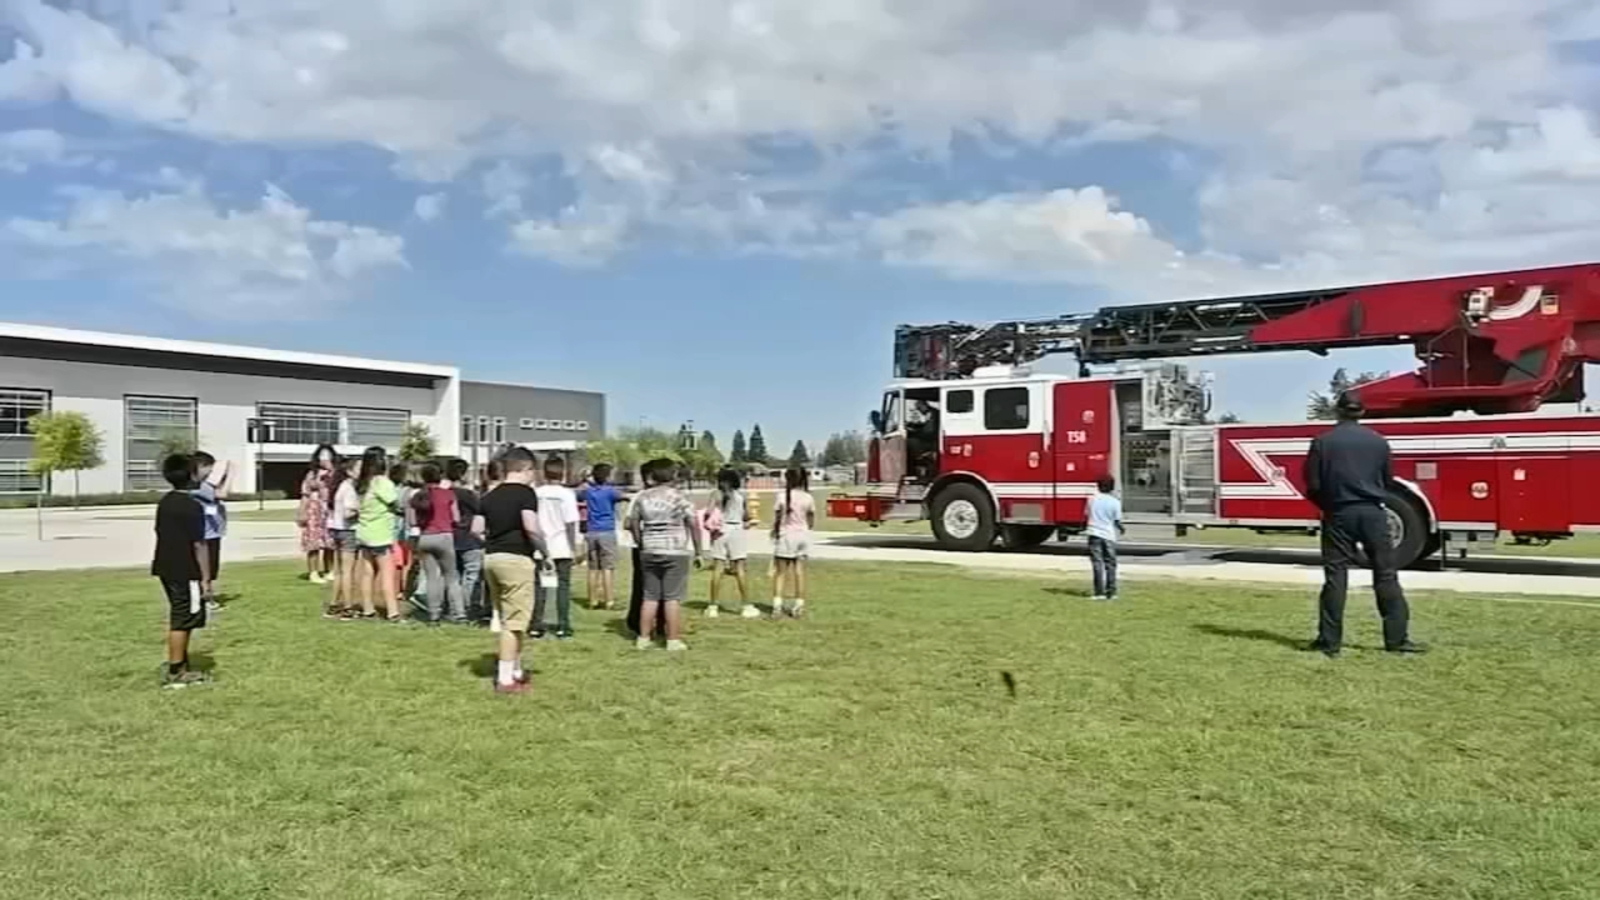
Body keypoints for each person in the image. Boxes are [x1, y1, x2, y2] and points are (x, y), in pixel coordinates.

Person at [1302, 392, 1422, 657]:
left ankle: (1330, 642)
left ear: (1338, 411)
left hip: (1339, 513)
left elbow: (1313, 485)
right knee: (1386, 574)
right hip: (1374, 513)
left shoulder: (1322, 442)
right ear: (1362, 412)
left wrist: (1329, 506)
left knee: (1336, 577)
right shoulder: (1378, 443)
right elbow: (1387, 481)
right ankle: (1397, 639)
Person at [478, 447, 549, 693]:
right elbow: (531, 526)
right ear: (525, 469)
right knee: (515, 623)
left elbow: (476, 529)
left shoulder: (488, 496)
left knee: (508, 616)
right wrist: (544, 550)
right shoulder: (526, 494)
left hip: (491, 558)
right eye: (533, 471)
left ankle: (516, 669)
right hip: (516, 559)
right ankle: (505, 679)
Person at [625, 458, 702, 651]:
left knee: (649, 596)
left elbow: (633, 521)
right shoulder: (679, 497)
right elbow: (693, 523)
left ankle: (643, 637)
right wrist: (699, 550)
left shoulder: (643, 497)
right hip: (674, 550)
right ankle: (673, 639)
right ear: (673, 475)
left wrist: (640, 541)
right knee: (671, 597)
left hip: (649, 548)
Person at [153, 453, 213, 689]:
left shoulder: (166, 501)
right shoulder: (191, 506)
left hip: (165, 566)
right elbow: (200, 544)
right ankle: (177, 670)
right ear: (190, 475)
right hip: (185, 569)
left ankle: (180, 663)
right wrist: (206, 578)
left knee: (181, 614)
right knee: (183, 618)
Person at [413, 462, 467, 625]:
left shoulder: (418, 496)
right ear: (440, 475)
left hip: (426, 537)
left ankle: (433, 614)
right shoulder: (448, 494)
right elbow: (456, 518)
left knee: (432, 578)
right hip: (444, 536)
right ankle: (460, 613)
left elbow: (411, 521)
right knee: (451, 576)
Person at [355, 447, 405, 622]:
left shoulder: (362, 483)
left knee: (367, 573)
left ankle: (367, 608)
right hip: (380, 534)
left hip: (364, 532)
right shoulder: (382, 482)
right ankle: (392, 611)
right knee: (387, 572)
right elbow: (395, 504)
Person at [534, 455, 581, 639]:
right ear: (563, 474)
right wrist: (573, 547)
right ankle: (562, 625)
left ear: (544, 473)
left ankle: (536, 624)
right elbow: (570, 523)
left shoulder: (537, 493)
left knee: (540, 587)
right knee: (563, 586)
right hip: (561, 545)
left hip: (541, 545)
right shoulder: (566, 495)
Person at [705, 466, 757, 618]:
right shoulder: (740, 496)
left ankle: (713, 606)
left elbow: (708, 512)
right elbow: (746, 516)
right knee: (740, 569)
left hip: (720, 531)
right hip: (737, 530)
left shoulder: (715, 494)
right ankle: (746, 605)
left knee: (718, 569)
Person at [577, 463, 624, 610]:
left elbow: (578, 494)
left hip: (591, 531)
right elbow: (624, 497)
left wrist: (587, 481)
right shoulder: (610, 492)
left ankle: (592, 600)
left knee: (592, 568)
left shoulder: (588, 492)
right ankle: (609, 600)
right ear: (608, 476)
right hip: (607, 531)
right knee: (607, 568)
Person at [770, 467, 815, 618]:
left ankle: (777, 606)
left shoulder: (782, 496)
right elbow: (811, 520)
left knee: (781, 573)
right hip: (802, 535)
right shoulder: (808, 497)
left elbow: (777, 519)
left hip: (786, 535)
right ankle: (799, 606)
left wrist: (775, 532)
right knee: (799, 572)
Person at [446, 458, 487, 624]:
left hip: (450, 537)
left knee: (453, 576)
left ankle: (454, 609)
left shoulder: (445, 493)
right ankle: (468, 607)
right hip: (469, 538)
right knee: (471, 575)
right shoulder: (470, 495)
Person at [190, 451, 230, 611]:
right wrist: (231, 474)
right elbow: (223, 494)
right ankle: (204, 598)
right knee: (203, 569)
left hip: (213, 532)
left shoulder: (205, 485)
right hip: (204, 534)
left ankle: (206, 596)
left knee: (211, 568)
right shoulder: (198, 486)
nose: (212, 472)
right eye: (209, 468)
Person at [325, 456, 362, 619]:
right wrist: (363, 511)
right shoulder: (349, 488)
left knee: (340, 571)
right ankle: (348, 607)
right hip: (348, 531)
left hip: (337, 529)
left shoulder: (340, 486)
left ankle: (333, 605)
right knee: (348, 572)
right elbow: (349, 513)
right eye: (359, 468)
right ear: (349, 471)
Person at [296, 445, 338, 584]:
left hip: (331, 510)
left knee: (330, 542)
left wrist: (331, 470)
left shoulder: (336, 474)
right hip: (314, 509)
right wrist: (302, 512)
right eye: (321, 456)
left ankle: (329, 570)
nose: (324, 460)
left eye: (327, 456)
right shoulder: (312, 474)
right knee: (313, 542)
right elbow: (305, 494)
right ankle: (313, 572)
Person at [1085, 475, 1124, 601]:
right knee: (1110, 564)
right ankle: (1111, 592)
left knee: (1097, 563)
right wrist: (1121, 528)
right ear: (1112, 487)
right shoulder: (1115, 502)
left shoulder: (1091, 500)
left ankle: (1098, 592)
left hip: (1094, 533)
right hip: (1108, 535)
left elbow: (1086, 514)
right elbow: (1116, 520)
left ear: (1098, 486)